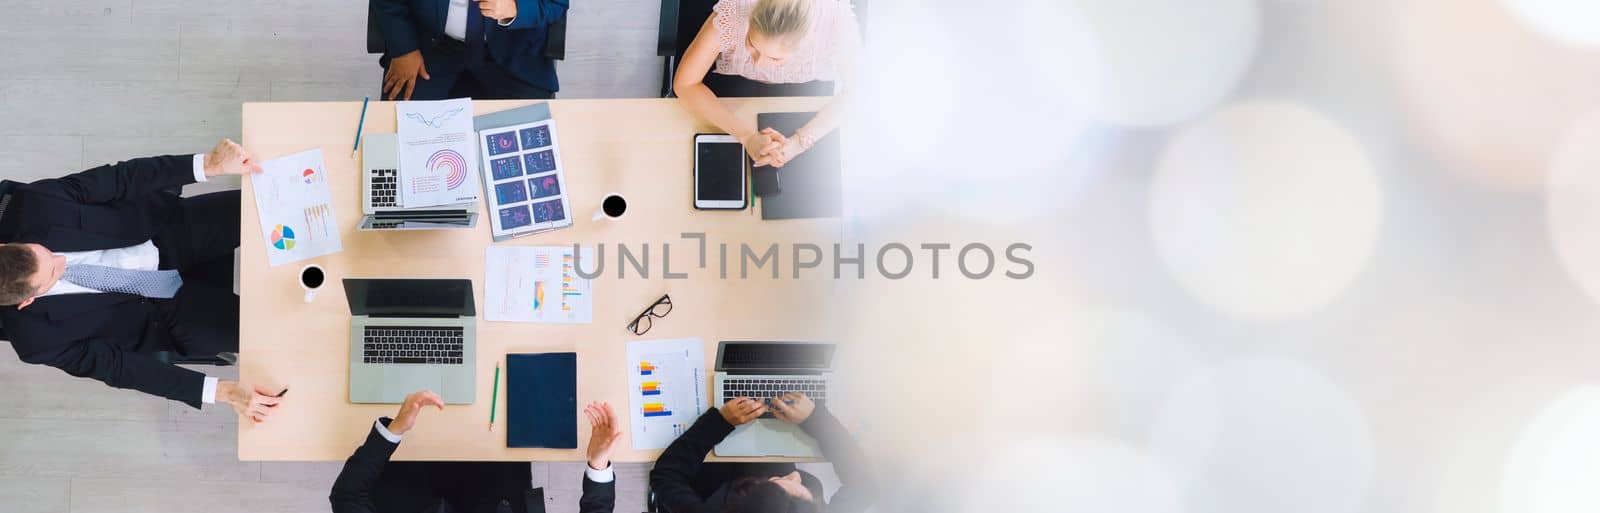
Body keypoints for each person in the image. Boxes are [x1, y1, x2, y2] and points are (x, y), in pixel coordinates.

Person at [0, 140, 285, 422]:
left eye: (46, 251)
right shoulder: (37, 341)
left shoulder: (33, 205)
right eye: (53, 273)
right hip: (161, 314)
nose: (61, 260)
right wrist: (224, 392)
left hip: (163, 231)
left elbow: (119, 179)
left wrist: (208, 163)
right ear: (27, 301)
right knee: (280, 332)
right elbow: (119, 368)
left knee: (279, 205)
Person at [330, 391, 623, 513]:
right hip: (496, 478)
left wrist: (393, 430)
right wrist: (598, 465)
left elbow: (347, 496)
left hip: (416, 462)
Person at [673, 0, 862, 168]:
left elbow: (858, 93)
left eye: (774, 58)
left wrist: (798, 143)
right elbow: (685, 84)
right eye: (752, 44)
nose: (758, 63)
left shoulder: (838, 24)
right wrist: (746, 136)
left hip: (802, 87)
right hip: (735, 79)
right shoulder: (737, 9)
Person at [649, 392, 876, 513]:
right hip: (771, 447)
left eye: (779, 481)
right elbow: (866, 487)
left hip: (709, 472)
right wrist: (815, 419)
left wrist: (719, 422)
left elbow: (665, 475)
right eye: (804, 492)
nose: (796, 475)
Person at [374, 0, 569, 101]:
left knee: (525, 150)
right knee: (401, 137)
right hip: (429, 49)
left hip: (514, 53)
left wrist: (515, 8)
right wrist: (404, 49)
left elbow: (556, 3)